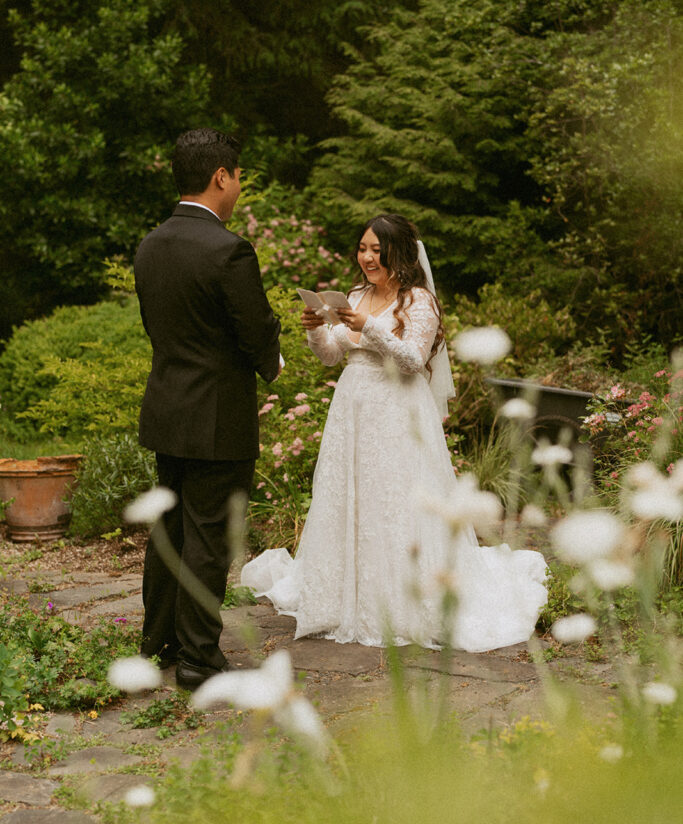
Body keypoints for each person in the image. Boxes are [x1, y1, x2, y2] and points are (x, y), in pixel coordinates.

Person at [241, 214, 547, 651]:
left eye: (376, 251)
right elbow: (331, 356)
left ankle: (405, 601)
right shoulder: (354, 294)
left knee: (398, 500)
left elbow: (411, 360)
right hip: (353, 406)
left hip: (397, 409)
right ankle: (345, 595)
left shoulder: (418, 301)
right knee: (351, 495)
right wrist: (315, 332)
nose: (366, 257)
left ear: (398, 255)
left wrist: (368, 327)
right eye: (363, 248)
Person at [134, 128, 281, 690]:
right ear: (221, 175)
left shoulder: (151, 244)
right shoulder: (229, 249)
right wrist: (274, 360)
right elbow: (253, 328)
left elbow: (160, 328)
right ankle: (198, 658)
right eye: (238, 176)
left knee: (169, 530)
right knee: (209, 534)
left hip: (168, 409)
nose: (239, 186)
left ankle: (160, 645)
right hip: (218, 417)